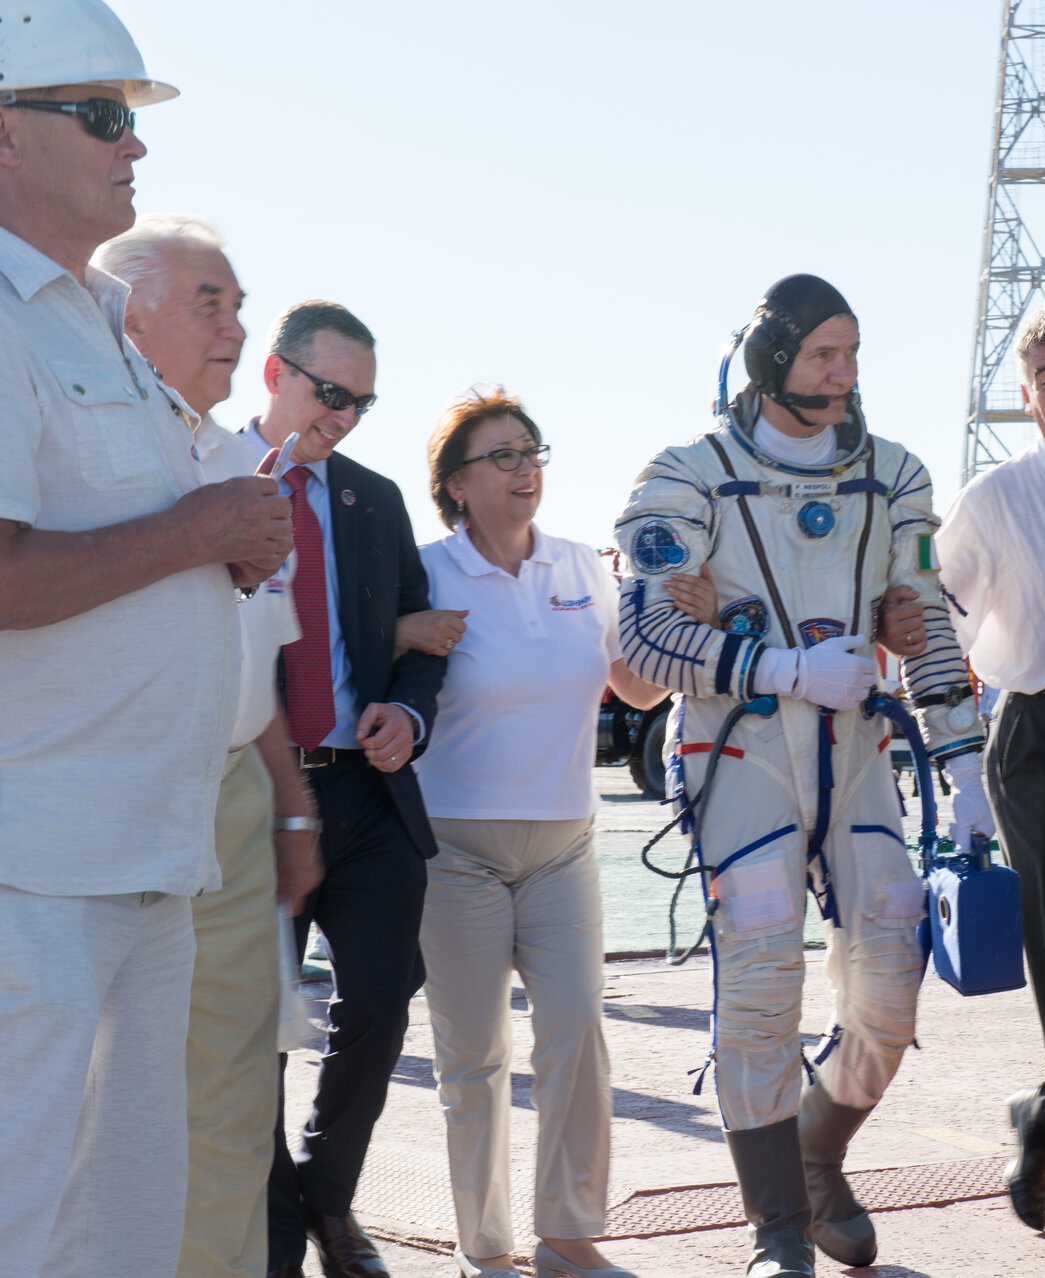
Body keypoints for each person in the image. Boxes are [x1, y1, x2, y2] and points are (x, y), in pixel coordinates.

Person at [614, 273, 986, 1278]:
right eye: (824, 354)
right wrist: (781, 669)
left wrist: (963, 765)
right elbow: (645, 637)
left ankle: (817, 1153)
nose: (843, 374)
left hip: (858, 756)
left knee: (892, 985)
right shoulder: (688, 476)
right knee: (761, 981)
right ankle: (777, 1228)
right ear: (771, 358)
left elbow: (926, 618)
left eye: (852, 353)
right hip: (742, 754)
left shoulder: (894, 475)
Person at [0, 6, 294, 1271]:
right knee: (23, 1221)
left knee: (123, 1230)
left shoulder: (91, 321)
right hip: (36, 871)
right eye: (102, 116)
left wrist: (220, 542)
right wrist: (194, 530)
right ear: (6, 134)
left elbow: (132, 539)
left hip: (145, 860)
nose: (134, 147)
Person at [94, 212, 325, 1278]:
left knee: (230, 1094)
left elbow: (258, 667)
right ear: (127, 316)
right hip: (107, 797)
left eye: (238, 306)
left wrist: (290, 808)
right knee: (100, 1096)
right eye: (209, 304)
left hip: (231, 801)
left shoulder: (246, 468)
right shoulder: (87, 456)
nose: (235, 328)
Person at [408, 389, 679, 1278]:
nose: (526, 469)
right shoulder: (426, 573)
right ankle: (484, 1249)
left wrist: (684, 622)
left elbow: (636, 688)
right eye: (503, 456)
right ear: (456, 484)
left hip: (564, 846)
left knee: (576, 1037)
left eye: (532, 451)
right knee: (474, 1057)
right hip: (456, 851)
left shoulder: (582, 567)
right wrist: (401, 628)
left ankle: (566, 1237)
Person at [243, 300, 447, 1278]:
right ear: (276, 372)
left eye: (363, 402)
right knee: (257, 1029)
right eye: (331, 393)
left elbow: (421, 636)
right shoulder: (214, 477)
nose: (346, 417)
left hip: (367, 797)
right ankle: (278, 1230)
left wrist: (407, 712)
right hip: (250, 805)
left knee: (379, 1000)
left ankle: (327, 1197)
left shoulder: (375, 498)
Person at [935, 300, 1045, 1232]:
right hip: (1044, 739)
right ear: (1024, 395)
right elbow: (934, 629)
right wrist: (956, 767)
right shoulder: (996, 499)